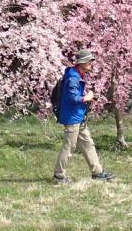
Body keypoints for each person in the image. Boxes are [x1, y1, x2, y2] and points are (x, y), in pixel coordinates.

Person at [52, 48, 114, 184]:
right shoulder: (73, 78)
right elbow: (73, 98)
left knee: (88, 144)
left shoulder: (77, 75)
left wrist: (88, 98)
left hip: (78, 117)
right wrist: (87, 97)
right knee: (69, 147)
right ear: (82, 62)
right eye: (90, 61)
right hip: (72, 118)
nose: (92, 63)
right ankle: (58, 175)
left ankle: (97, 172)